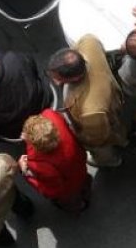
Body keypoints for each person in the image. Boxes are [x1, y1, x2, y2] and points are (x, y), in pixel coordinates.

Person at [49, 38, 125, 168]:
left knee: (102, 148)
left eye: (58, 78)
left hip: (103, 118)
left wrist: (81, 140)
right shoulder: (88, 43)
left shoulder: (90, 111)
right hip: (109, 88)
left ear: (75, 78)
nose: (55, 81)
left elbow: (98, 137)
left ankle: (110, 161)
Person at [20, 110, 90, 213]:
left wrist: (25, 173)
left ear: (36, 145)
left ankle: (78, 207)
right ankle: (87, 190)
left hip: (69, 187)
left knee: (69, 199)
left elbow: (52, 191)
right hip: (80, 165)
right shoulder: (50, 115)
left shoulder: (39, 164)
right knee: (84, 181)